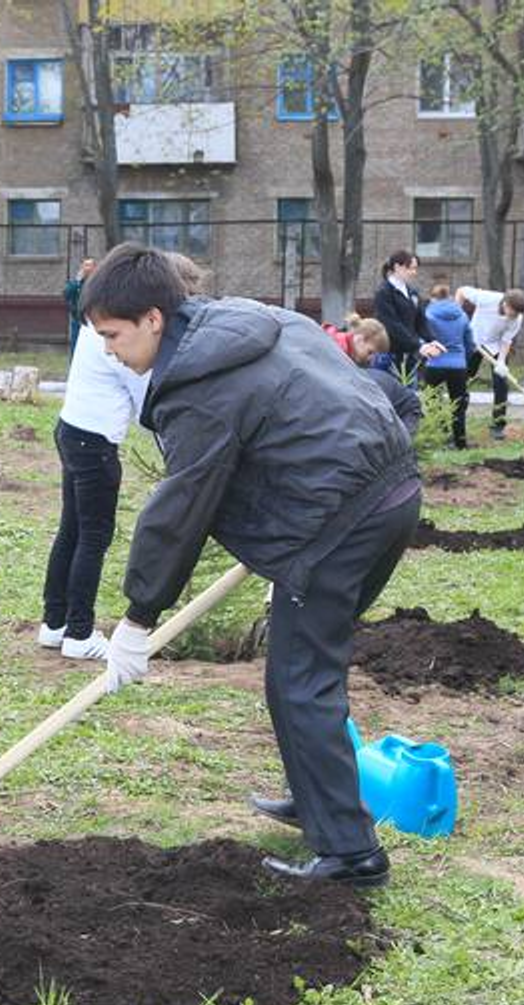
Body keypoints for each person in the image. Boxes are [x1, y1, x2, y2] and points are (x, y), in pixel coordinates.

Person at [82, 243, 420, 888]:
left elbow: (182, 506)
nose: (108, 351)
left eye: (112, 336)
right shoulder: (246, 321)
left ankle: (352, 855)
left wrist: (138, 617)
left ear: (153, 318)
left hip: (338, 520)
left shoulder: (198, 386)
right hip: (389, 488)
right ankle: (319, 798)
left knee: (299, 680)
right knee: (300, 671)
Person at [39, 253, 204, 660]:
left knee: (72, 530)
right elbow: (149, 402)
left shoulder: (108, 315)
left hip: (71, 430)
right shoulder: (124, 335)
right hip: (94, 444)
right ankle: (79, 633)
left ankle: (54, 623)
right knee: (93, 537)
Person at [325, 315, 422, 436]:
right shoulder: (338, 352)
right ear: (360, 339)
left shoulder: (342, 348)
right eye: (370, 352)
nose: (370, 359)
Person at [457, 286, 524, 440]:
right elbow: (461, 291)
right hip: (473, 341)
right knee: (462, 380)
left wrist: (501, 361)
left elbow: (506, 340)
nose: (514, 317)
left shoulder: (517, 318)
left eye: (517, 314)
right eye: (512, 313)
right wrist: (458, 315)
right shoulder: (487, 298)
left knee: (501, 384)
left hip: (495, 346)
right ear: (506, 304)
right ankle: (456, 420)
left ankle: (498, 425)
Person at [371, 250, 445, 380]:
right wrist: (418, 345)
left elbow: (421, 321)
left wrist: (432, 340)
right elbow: (391, 325)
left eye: (415, 269)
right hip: (390, 355)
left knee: (410, 391)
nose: (414, 272)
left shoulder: (412, 292)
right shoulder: (384, 292)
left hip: (410, 354)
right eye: (410, 268)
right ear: (397, 267)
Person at [422, 283, 475, 449]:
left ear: (433, 298)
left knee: (433, 403)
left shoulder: (428, 314)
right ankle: (460, 442)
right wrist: (464, 360)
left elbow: (423, 338)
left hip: (434, 364)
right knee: (458, 405)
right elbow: (470, 343)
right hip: (458, 365)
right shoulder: (462, 315)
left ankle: (439, 439)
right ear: (449, 297)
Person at [64, 258, 97, 353]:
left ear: (94, 268)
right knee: (76, 345)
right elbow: (67, 294)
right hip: (78, 319)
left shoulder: (98, 282)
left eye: (89, 265)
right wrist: (77, 281)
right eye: (85, 265)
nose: (87, 268)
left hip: (93, 320)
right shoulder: (77, 282)